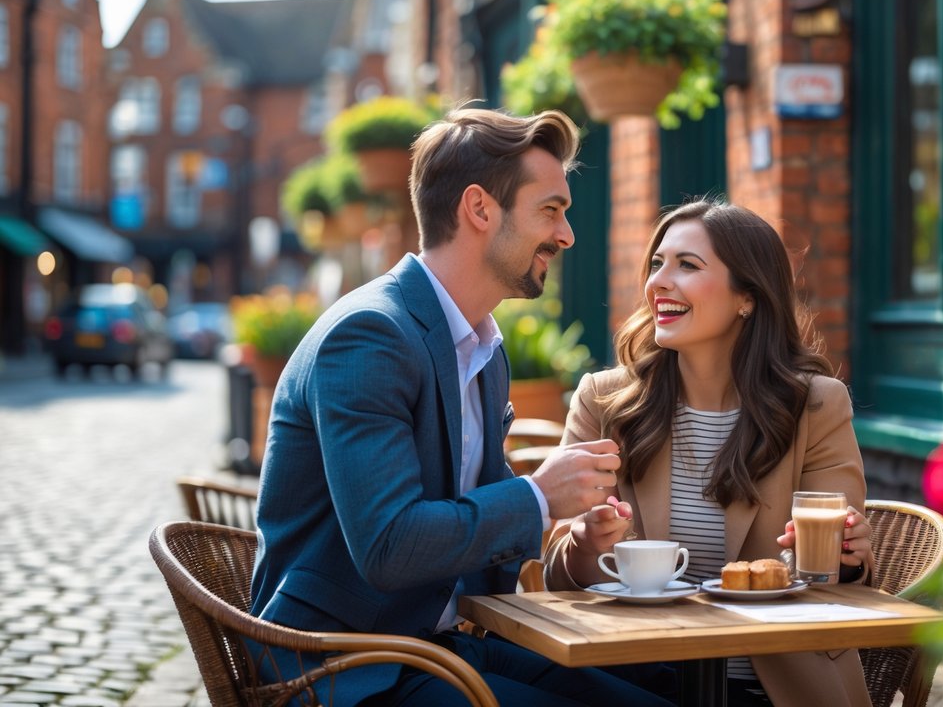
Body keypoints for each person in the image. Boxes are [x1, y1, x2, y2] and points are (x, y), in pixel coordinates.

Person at [250, 107, 672, 707]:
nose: (566, 234)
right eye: (550, 210)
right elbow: (389, 547)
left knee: (656, 687)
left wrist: (569, 530)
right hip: (342, 665)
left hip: (431, 641)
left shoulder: (480, 347)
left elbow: (472, 523)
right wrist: (537, 497)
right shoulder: (371, 335)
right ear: (480, 209)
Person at [543, 198, 875, 707]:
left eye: (687, 265)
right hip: (636, 677)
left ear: (748, 297)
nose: (658, 281)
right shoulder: (604, 401)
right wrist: (584, 545)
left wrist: (846, 555)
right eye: (657, 263)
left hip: (772, 687)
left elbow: (835, 572)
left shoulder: (816, 405)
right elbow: (557, 579)